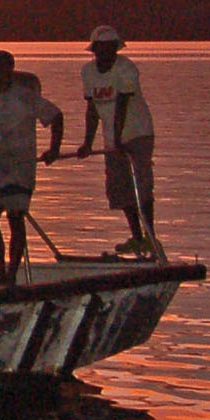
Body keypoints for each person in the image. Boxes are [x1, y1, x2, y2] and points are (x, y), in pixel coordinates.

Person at [0, 50, 62, 285]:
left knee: (15, 218)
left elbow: (55, 116)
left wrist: (54, 149)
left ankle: (11, 272)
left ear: (8, 69)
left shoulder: (25, 96)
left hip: (20, 168)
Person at [76, 25, 161, 258]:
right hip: (112, 140)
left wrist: (119, 139)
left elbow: (122, 105)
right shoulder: (88, 72)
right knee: (119, 189)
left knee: (141, 186)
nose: (105, 53)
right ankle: (137, 238)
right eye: (101, 48)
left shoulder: (126, 68)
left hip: (137, 133)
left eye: (110, 48)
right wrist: (87, 142)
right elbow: (92, 109)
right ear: (94, 50)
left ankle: (151, 237)